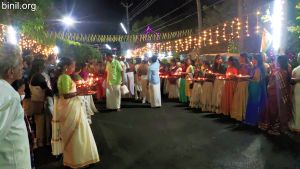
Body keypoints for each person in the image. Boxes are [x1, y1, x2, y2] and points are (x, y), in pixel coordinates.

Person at [52, 57, 100, 168]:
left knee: (79, 133)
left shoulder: (65, 77)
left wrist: (80, 89)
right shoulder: (64, 77)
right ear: (66, 67)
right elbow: (66, 95)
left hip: (72, 107)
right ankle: (77, 160)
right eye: (72, 66)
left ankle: (78, 159)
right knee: (77, 134)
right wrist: (80, 92)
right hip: (70, 108)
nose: (74, 68)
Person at [0, 44, 31, 168]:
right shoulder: (9, 96)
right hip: (13, 161)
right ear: (10, 72)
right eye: (20, 64)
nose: (23, 67)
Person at [260, 56, 292, 135]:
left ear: (279, 62)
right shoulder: (287, 71)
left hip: (274, 95)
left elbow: (272, 85)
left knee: (273, 111)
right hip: (283, 95)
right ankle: (281, 128)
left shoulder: (278, 72)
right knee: (281, 111)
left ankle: (274, 129)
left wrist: (268, 86)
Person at [29, 58, 52, 147]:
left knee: (38, 123)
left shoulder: (32, 76)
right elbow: (48, 90)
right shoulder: (39, 77)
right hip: (41, 103)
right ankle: (42, 143)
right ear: (40, 67)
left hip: (35, 102)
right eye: (43, 65)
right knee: (42, 124)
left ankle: (39, 142)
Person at [245, 54, 267, 126]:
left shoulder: (258, 68)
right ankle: (252, 119)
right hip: (253, 87)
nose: (252, 61)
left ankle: (253, 120)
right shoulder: (256, 67)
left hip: (256, 87)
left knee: (254, 103)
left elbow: (256, 80)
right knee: (252, 102)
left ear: (257, 60)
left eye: (254, 59)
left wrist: (247, 79)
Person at [231, 53, 252, 121]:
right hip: (239, 83)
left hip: (244, 84)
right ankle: (238, 115)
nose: (239, 59)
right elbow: (239, 74)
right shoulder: (240, 65)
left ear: (244, 58)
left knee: (242, 99)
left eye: (240, 57)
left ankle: (242, 115)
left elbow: (250, 76)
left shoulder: (249, 66)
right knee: (238, 99)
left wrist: (242, 76)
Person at [290, 54, 300, 133]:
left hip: (297, 88)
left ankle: (297, 126)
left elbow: (292, 81)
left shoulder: (296, 69)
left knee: (296, 107)